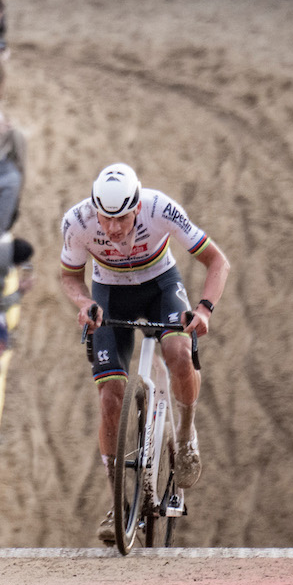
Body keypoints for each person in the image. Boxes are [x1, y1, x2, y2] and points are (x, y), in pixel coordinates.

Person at [58, 164, 233, 546]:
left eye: (121, 218)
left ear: (137, 208)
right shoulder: (77, 222)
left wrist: (203, 309)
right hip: (108, 292)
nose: (114, 229)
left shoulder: (162, 209)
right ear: (95, 209)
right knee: (109, 397)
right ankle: (117, 503)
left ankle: (185, 436)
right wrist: (84, 301)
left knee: (179, 353)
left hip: (160, 287)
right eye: (106, 218)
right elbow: (70, 276)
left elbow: (218, 262)